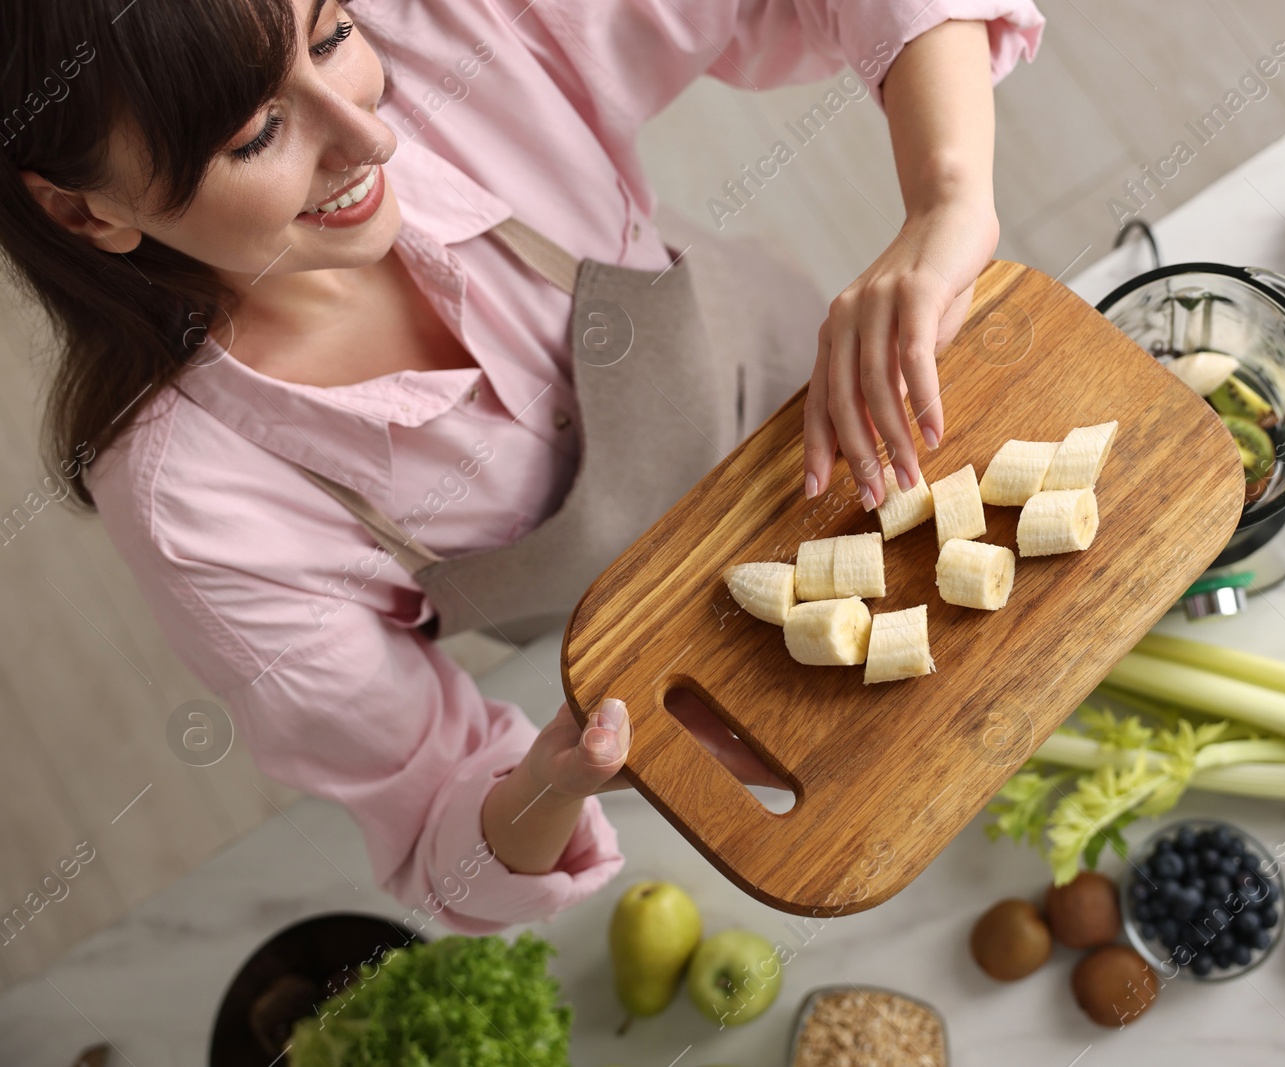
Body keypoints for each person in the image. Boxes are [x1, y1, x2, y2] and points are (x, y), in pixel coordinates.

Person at [0, 0, 1044, 931]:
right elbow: (438, 838)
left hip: (883, 411)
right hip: (746, 672)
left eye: (330, 33)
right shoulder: (199, 505)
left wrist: (948, 198)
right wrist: (548, 781)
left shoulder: (451, 30)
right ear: (87, 211)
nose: (373, 132)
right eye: (260, 133)